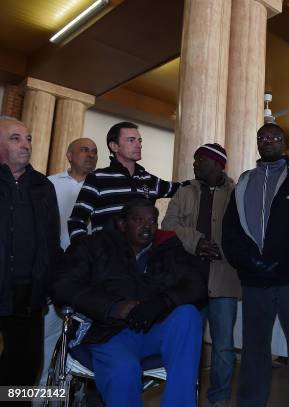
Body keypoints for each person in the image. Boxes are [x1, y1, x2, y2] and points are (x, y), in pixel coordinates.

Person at [53, 199, 206, 406]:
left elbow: (196, 284)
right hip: (109, 333)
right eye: (138, 220)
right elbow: (62, 284)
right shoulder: (94, 246)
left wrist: (161, 303)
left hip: (153, 329)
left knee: (188, 314)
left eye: (152, 221)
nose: (147, 226)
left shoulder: (168, 249)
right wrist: (114, 308)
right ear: (122, 224)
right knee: (124, 369)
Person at [222, 123, 289, 407]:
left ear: (284, 143)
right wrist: (248, 261)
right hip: (254, 280)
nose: (268, 142)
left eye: (275, 137)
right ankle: (251, 402)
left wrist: (279, 261)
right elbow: (231, 230)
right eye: (262, 138)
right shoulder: (244, 181)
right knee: (254, 348)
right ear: (257, 143)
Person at [162, 143, 240, 407]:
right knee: (187, 345)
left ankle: (218, 398)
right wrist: (195, 241)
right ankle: (185, 397)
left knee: (224, 348)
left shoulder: (236, 194)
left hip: (225, 279)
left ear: (217, 164)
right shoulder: (185, 191)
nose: (194, 165)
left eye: (200, 161)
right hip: (189, 280)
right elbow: (168, 226)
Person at [0, 116, 61, 387]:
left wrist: (49, 281)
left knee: (25, 366)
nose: (25, 145)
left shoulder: (43, 186)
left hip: (29, 293)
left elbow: (51, 239)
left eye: (28, 139)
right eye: (15, 139)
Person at [40, 138, 98, 385]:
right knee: (47, 338)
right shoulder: (49, 184)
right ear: (69, 155)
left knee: (83, 343)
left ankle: (69, 394)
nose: (91, 155)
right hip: (55, 274)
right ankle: (40, 394)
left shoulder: (101, 188)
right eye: (85, 150)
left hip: (91, 278)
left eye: (95, 152)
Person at [68, 121, 179, 242]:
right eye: (131, 140)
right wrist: (86, 250)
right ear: (114, 146)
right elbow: (76, 220)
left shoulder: (149, 180)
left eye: (139, 140)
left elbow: (183, 189)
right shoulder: (97, 178)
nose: (139, 145)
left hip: (144, 257)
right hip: (108, 257)